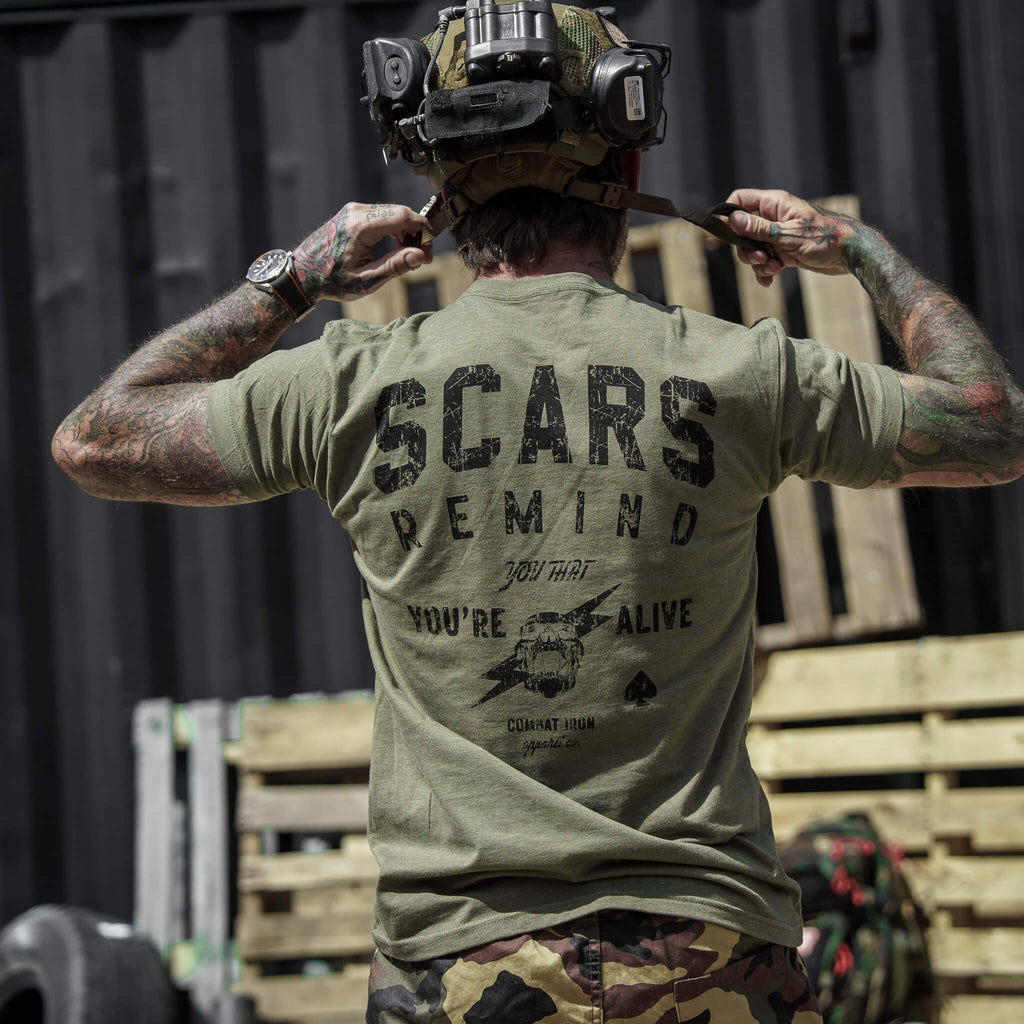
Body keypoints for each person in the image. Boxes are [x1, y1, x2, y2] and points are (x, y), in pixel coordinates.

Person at [52, 6, 1023, 1024]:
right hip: (706, 954)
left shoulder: (347, 387)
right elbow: (989, 427)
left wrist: (291, 281)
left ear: (430, 166)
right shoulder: (741, 373)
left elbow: (97, 437)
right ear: (631, 148)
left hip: (459, 966)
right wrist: (861, 251)